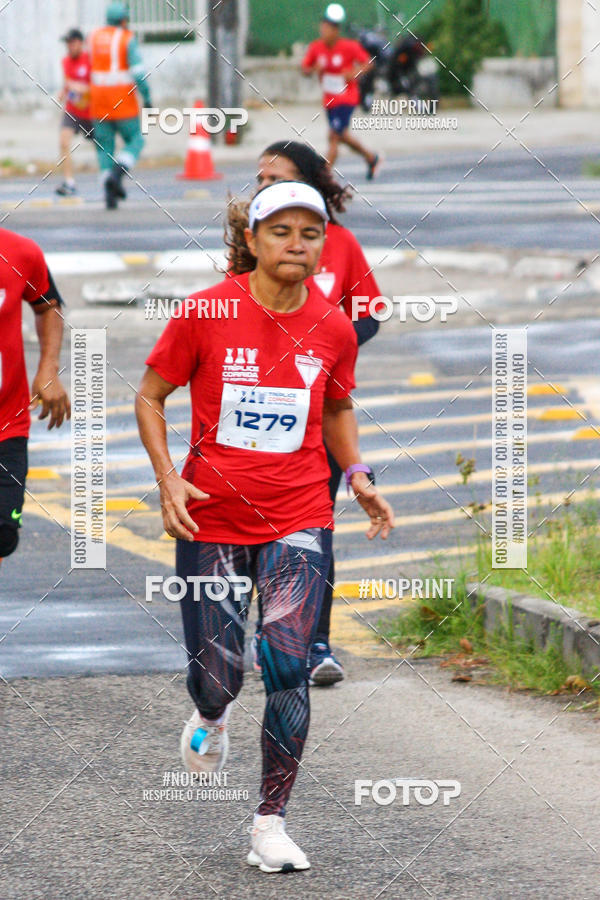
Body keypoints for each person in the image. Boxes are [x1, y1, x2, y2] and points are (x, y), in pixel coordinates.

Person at [136, 181, 394, 873]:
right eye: (281, 231)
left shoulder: (335, 327)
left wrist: (359, 475)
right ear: (250, 240)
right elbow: (151, 395)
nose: (297, 244)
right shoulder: (206, 312)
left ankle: (269, 823)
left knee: (287, 666)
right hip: (213, 515)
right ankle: (210, 715)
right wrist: (168, 477)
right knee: (219, 677)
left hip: (300, 516)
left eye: (311, 233)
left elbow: (336, 406)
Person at [243, 140, 382, 686]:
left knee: (312, 530)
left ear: (307, 183)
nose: (263, 186)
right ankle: (265, 633)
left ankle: (316, 642)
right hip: (253, 414)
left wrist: (325, 344)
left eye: (274, 177)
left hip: (317, 413)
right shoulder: (256, 244)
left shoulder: (340, 244)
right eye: (259, 179)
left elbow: (368, 313)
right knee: (255, 530)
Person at [0, 229, 70, 568]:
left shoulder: (21, 252)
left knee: (2, 535)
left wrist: (48, 368)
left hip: (6, 427)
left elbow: (48, 307)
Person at [302, 3, 380, 177]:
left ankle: (324, 175)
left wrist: (354, 73)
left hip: (347, 97)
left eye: (328, 28)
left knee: (334, 135)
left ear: (335, 30)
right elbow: (305, 69)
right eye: (322, 27)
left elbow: (369, 63)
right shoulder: (316, 48)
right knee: (341, 135)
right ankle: (370, 157)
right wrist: (315, 68)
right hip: (329, 99)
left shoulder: (349, 46)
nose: (324, 32)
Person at [89, 2, 151, 209]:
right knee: (135, 140)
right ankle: (118, 172)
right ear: (124, 20)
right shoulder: (126, 38)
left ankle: (108, 185)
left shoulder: (94, 37)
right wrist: (148, 98)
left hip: (98, 101)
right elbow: (139, 73)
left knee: (104, 146)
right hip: (122, 101)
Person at [56, 28, 94, 197]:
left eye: (72, 43)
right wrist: (64, 92)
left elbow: (96, 88)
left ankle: (111, 177)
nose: (69, 47)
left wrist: (79, 88)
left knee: (103, 147)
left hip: (91, 112)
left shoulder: (90, 60)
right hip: (73, 110)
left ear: (80, 43)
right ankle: (69, 182)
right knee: (64, 141)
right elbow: (68, 82)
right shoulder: (65, 61)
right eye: (67, 44)